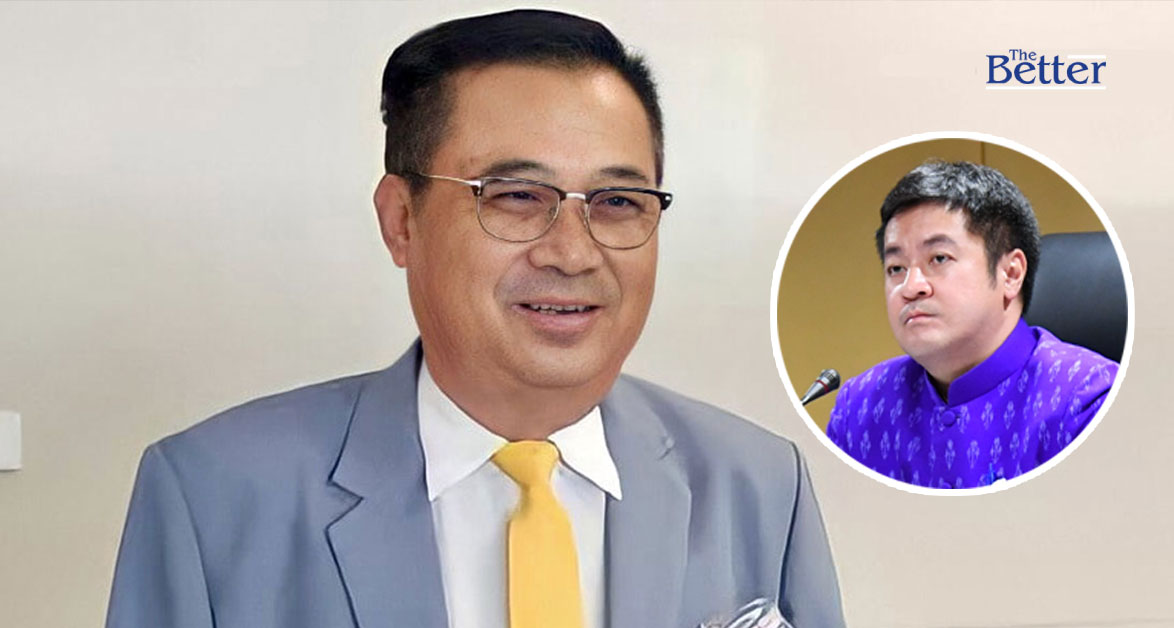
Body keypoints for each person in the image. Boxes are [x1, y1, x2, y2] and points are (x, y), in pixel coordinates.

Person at [105, 9, 844, 628]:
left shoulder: (757, 485)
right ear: (401, 220)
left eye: (618, 202)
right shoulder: (214, 494)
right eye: (517, 196)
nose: (573, 253)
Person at [827, 161, 1119, 490]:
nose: (911, 287)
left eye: (939, 259)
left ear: (1010, 274)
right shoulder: (861, 407)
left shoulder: (1088, 400)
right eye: (896, 268)